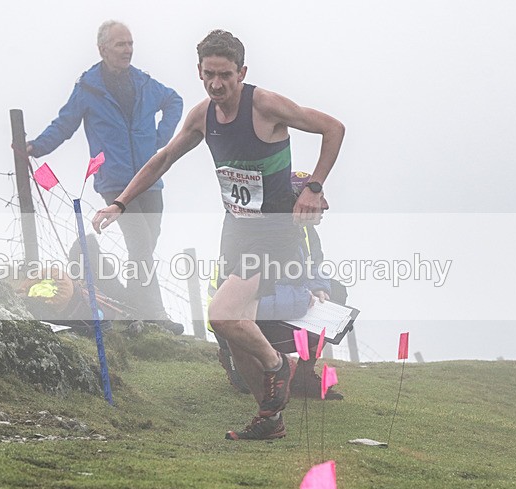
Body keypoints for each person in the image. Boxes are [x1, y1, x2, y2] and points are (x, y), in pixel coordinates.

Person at [92, 30, 345, 440]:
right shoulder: (202, 116)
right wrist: (120, 203)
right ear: (199, 71)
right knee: (236, 331)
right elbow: (163, 159)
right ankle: (269, 419)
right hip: (236, 231)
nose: (216, 83)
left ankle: (280, 364)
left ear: (241, 72)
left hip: (274, 231)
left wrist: (314, 187)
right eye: (209, 74)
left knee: (221, 314)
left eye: (225, 75)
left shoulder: (265, 105)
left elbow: (333, 128)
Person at [26, 20, 184, 334]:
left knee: (146, 245)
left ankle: (135, 308)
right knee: (140, 243)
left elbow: (174, 101)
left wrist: (160, 139)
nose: (127, 50)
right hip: (115, 182)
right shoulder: (88, 88)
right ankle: (156, 315)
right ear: (103, 49)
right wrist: (36, 147)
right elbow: (65, 124)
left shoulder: (143, 82)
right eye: (120, 44)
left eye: (130, 43)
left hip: (150, 177)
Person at [211, 171, 345, 400]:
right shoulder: (261, 235)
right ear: (297, 201)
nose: (325, 206)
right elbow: (247, 301)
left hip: (277, 311)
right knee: (249, 385)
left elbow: (314, 265)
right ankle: (233, 353)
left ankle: (302, 375)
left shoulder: (304, 230)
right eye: (318, 198)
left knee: (337, 291)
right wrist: (301, 299)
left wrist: (319, 287)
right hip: (238, 323)